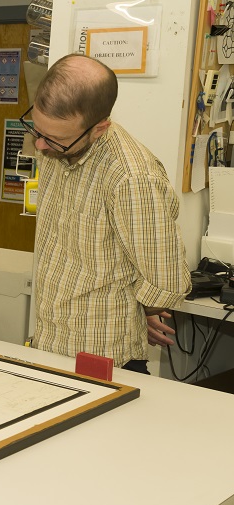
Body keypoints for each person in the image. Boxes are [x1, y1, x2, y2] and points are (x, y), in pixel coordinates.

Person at [25, 53, 192, 372]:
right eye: (38, 131)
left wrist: (142, 308)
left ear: (99, 128)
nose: (41, 147)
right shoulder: (56, 150)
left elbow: (168, 281)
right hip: (49, 343)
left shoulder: (131, 178)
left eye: (55, 140)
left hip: (102, 359)